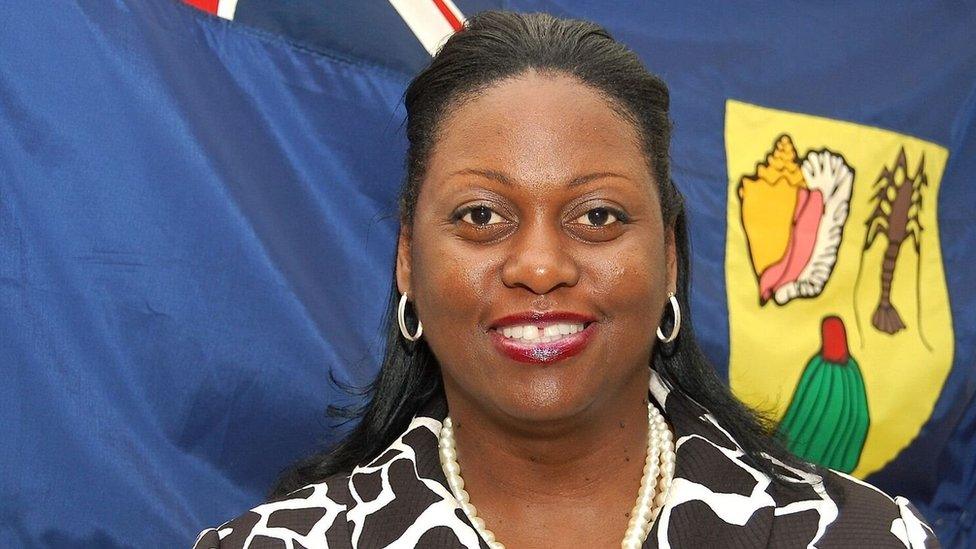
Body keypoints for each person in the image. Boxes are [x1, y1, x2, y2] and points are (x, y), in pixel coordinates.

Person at [193, 11, 938, 549]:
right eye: (482, 215)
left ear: (671, 258)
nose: (541, 265)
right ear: (409, 263)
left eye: (600, 215)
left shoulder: (861, 537)